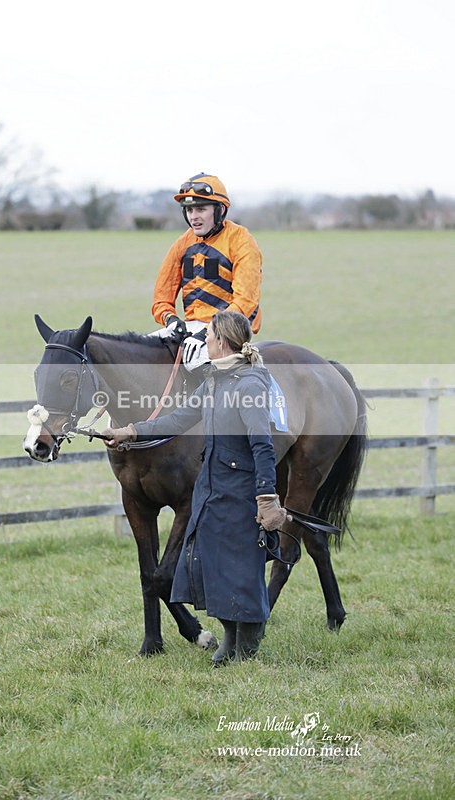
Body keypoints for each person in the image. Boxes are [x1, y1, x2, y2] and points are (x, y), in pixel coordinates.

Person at [102, 311, 290, 665]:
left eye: (209, 338)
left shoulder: (249, 384)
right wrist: (131, 431)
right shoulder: (215, 381)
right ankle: (230, 635)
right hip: (211, 484)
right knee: (213, 564)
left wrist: (266, 497)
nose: (204, 343)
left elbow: (262, 444)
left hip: (241, 487)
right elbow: (179, 418)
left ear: (222, 342)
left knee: (241, 565)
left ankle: (247, 642)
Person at [153, 173, 263, 372]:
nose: (193, 216)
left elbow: (245, 302)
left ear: (219, 210)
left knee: (194, 361)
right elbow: (161, 299)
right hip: (191, 327)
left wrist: (208, 331)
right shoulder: (182, 244)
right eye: (189, 210)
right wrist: (170, 319)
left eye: (201, 209)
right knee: (142, 353)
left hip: (229, 331)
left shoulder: (241, 241)